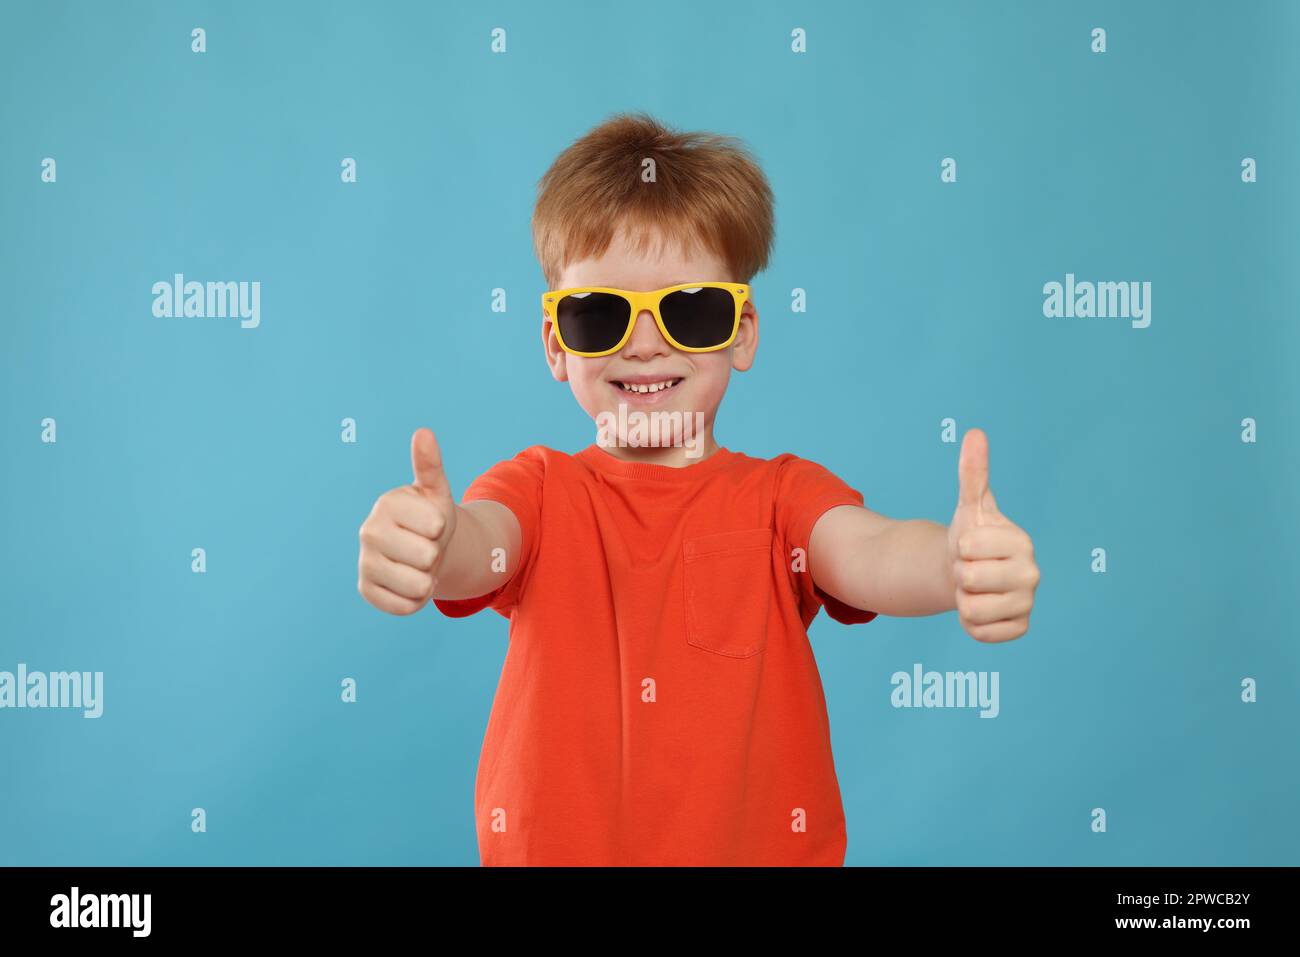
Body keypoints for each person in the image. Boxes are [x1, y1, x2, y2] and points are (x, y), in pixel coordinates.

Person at [357, 112, 1040, 865]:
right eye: (600, 314)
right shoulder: (541, 490)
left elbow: (867, 549)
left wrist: (953, 564)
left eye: (690, 309)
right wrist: (432, 541)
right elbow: (480, 544)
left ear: (742, 331)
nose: (645, 343)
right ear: (556, 343)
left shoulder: (781, 500)